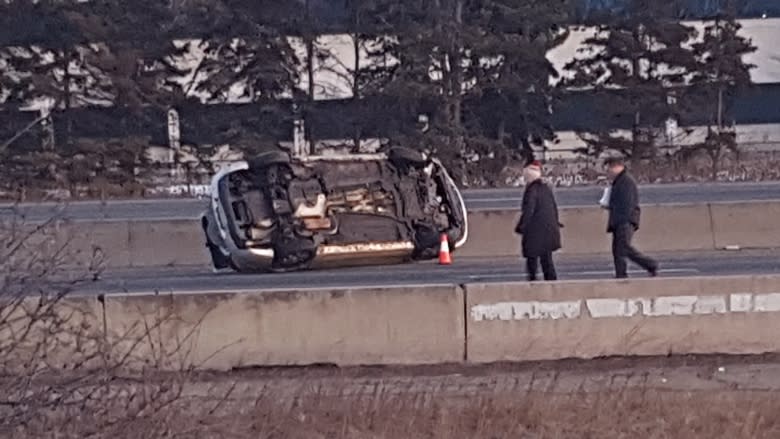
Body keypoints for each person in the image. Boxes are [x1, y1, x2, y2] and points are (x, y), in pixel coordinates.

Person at [604, 157, 659, 279]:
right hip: (620, 220)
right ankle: (621, 274)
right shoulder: (620, 181)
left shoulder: (625, 181)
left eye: (608, 169)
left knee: (624, 247)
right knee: (618, 249)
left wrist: (619, 218)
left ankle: (650, 264)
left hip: (624, 220)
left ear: (616, 167)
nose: (607, 173)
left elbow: (627, 203)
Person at [515, 161, 562, 281]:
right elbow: (554, 207)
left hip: (535, 231)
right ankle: (552, 285)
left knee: (532, 260)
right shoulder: (546, 188)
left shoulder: (531, 190)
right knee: (547, 260)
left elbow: (529, 210)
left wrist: (522, 226)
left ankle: (533, 284)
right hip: (548, 229)